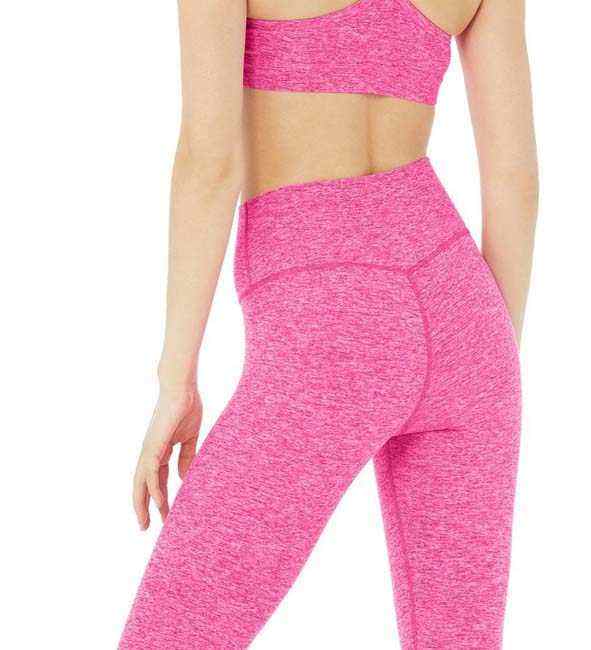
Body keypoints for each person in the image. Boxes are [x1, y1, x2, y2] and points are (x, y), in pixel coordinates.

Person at [120, 0, 538, 647]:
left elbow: (209, 164)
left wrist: (177, 379)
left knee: (174, 635)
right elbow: (514, 178)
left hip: (327, 320)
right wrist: (484, 362)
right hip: (465, 310)